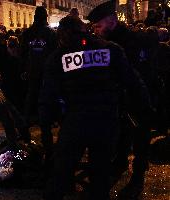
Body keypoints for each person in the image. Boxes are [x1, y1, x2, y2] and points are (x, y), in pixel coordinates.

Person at [41, 16, 152, 200]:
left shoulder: (58, 57)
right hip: (106, 122)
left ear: (63, 34)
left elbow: (47, 95)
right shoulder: (110, 49)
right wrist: (145, 108)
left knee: (60, 175)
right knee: (100, 175)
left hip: (75, 123)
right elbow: (133, 82)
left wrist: (46, 126)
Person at [87, 1, 163, 197]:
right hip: (121, 100)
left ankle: (137, 178)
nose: (95, 30)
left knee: (140, 140)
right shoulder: (107, 43)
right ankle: (119, 163)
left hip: (139, 100)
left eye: (98, 26)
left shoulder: (133, 41)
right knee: (122, 135)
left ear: (111, 21)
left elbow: (142, 73)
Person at [20, 6, 57, 161]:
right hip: (46, 74)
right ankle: (47, 138)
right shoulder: (50, 33)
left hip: (32, 73)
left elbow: (22, 53)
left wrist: (24, 69)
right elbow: (55, 54)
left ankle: (23, 133)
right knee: (46, 104)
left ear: (35, 17)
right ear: (45, 17)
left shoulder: (27, 33)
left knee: (30, 99)